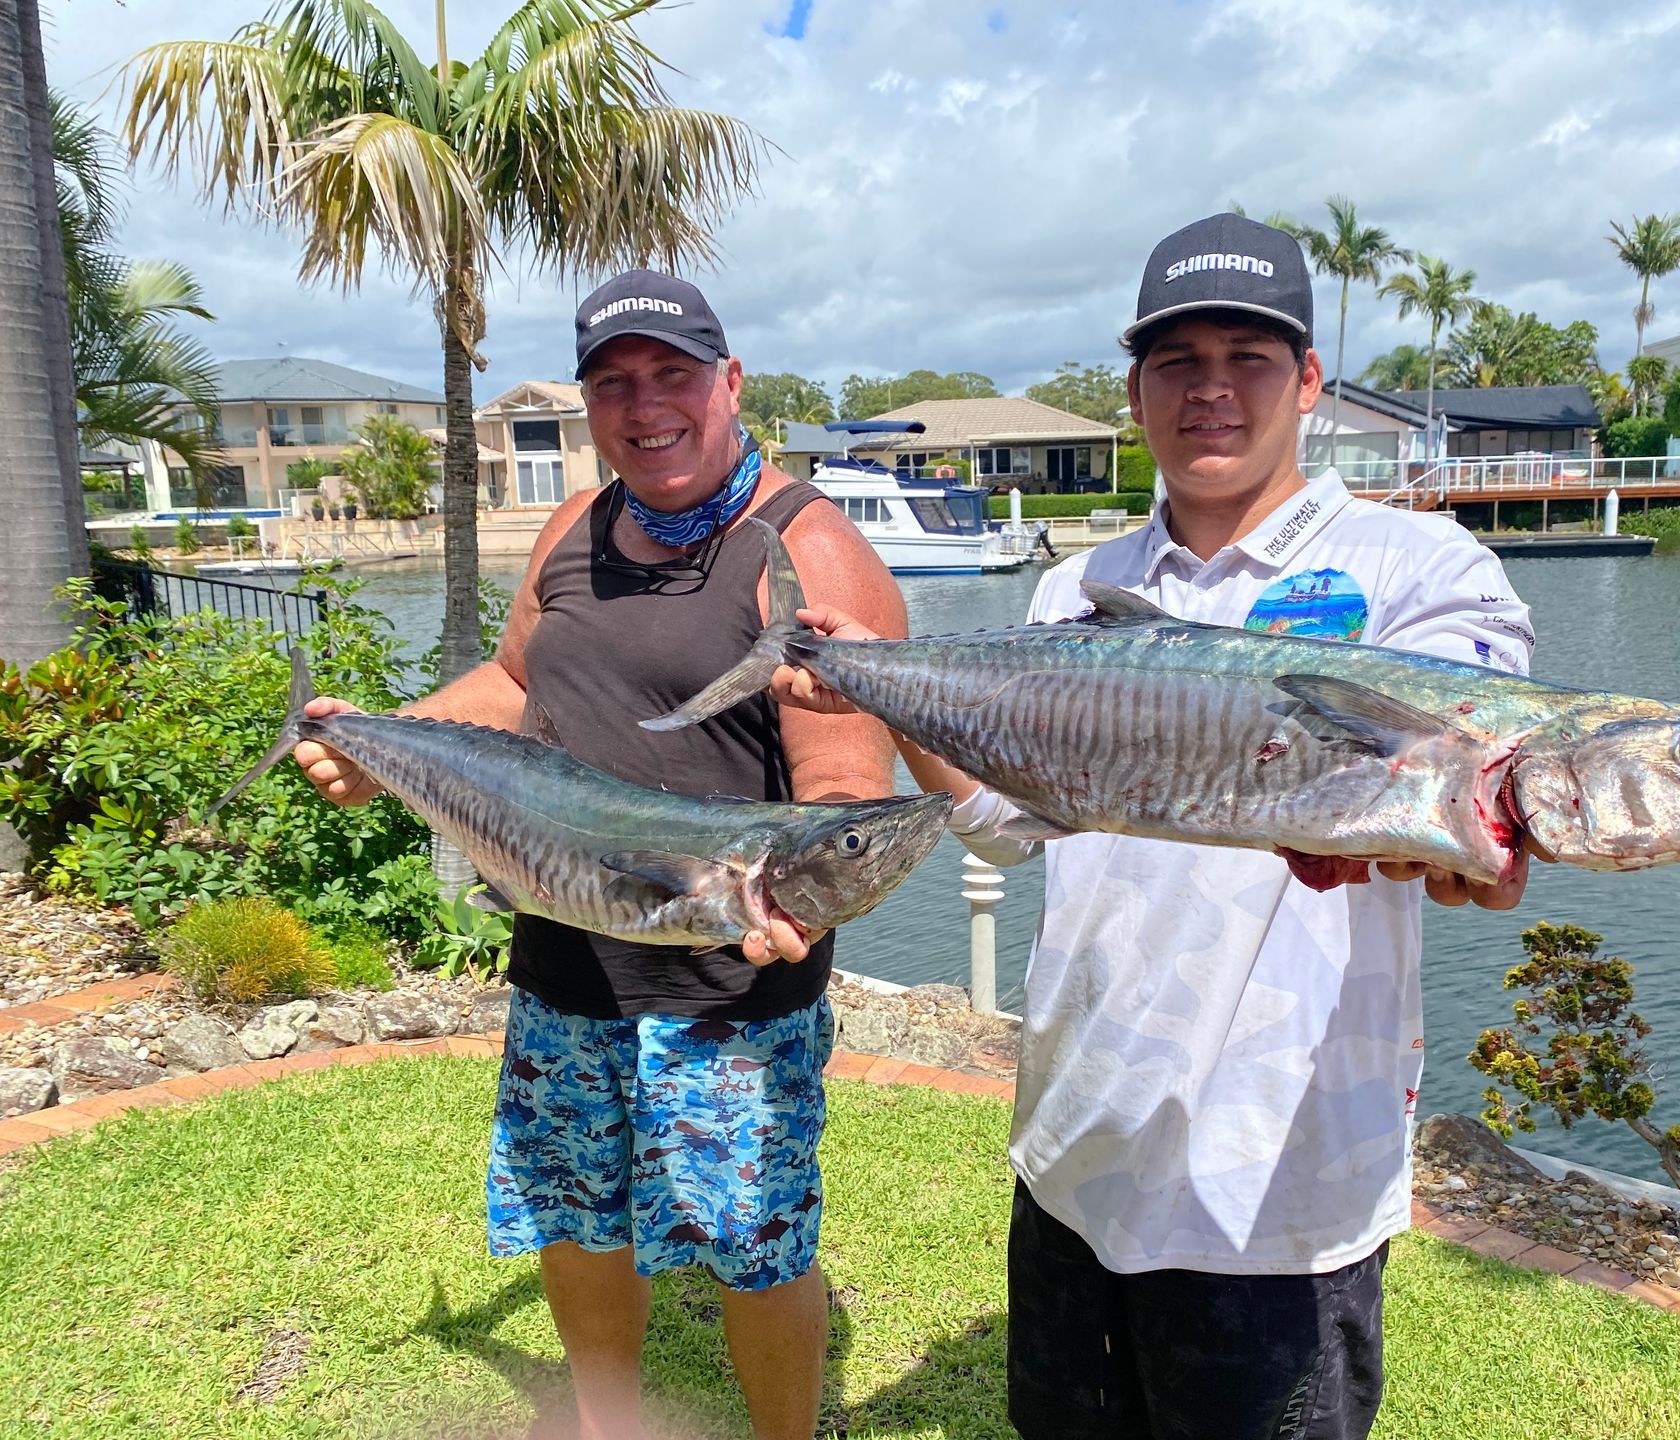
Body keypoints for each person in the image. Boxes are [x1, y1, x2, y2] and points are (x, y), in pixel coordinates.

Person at [774, 213, 1540, 1439]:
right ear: (1135, 388)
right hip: (1075, 1149)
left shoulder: (1419, 569)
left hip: (1277, 1190)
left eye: (1249, 357)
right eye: (1180, 362)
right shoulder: (1075, 592)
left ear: (1309, 381)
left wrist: (1458, 825)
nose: (1213, 391)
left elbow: (1476, 731)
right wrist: (884, 682)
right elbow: (1012, 828)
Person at [293, 269, 904, 1440]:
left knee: (753, 1242)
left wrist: (809, 908)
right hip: (565, 961)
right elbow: (519, 683)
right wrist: (383, 743)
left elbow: (839, 786)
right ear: (589, 404)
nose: (646, 404)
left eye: (674, 373)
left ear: (731, 383)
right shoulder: (580, 523)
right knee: (576, 1220)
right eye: (614, 382)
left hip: (727, 988)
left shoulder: (804, 553)